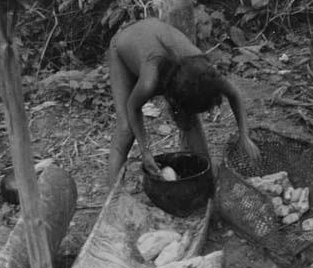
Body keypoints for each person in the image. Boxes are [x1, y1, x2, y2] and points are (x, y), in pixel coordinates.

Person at [108, 17, 260, 184]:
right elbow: (132, 107)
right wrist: (145, 150)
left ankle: (204, 177)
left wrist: (244, 136)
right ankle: (113, 197)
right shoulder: (149, 81)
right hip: (123, 46)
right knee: (126, 129)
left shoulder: (202, 69)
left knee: (189, 119)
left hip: (152, 39)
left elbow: (234, 94)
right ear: (173, 95)